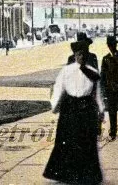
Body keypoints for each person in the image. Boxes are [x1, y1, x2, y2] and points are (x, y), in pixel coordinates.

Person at [43, 39, 104, 184]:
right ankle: (68, 174)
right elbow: (59, 88)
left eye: (84, 54)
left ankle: (87, 175)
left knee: (86, 141)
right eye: (79, 54)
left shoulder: (93, 73)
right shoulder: (66, 71)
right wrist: (54, 105)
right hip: (70, 108)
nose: (81, 57)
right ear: (75, 55)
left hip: (86, 108)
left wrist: (101, 109)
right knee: (68, 140)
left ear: (87, 55)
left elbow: (97, 93)